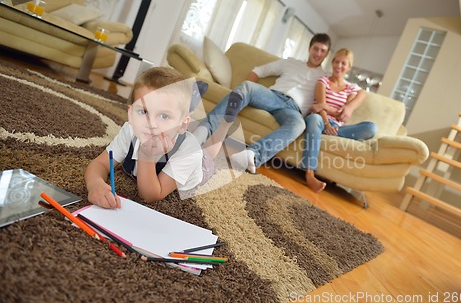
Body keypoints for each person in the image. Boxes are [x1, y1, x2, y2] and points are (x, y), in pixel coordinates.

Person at [84, 67, 243, 209]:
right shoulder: (130, 130)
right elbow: (100, 163)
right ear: (131, 114)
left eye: (163, 115)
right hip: (181, 130)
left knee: (207, 149)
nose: (151, 124)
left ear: (181, 125)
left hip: (199, 162)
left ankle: (224, 124)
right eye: (144, 112)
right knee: (199, 133)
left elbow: (151, 195)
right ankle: (190, 102)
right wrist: (95, 183)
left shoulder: (190, 152)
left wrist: (146, 155)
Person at [193, 33, 332, 173]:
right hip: (272, 96)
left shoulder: (326, 78)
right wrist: (248, 95)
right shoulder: (291, 62)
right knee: (247, 86)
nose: (318, 53)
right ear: (309, 48)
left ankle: (252, 155)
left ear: (327, 54)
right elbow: (259, 71)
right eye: (316, 48)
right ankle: (204, 130)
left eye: (322, 50)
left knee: (299, 125)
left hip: (294, 110)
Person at [300, 48, 377, 192]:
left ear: (349, 67)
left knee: (371, 128)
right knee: (315, 118)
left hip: (336, 127)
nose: (339, 66)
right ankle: (310, 174)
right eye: (336, 62)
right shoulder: (323, 81)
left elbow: (342, 114)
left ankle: (329, 133)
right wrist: (327, 122)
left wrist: (341, 108)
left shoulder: (350, 89)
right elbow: (318, 110)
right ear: (332, 63)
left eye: (343, 63)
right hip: (319, 121)